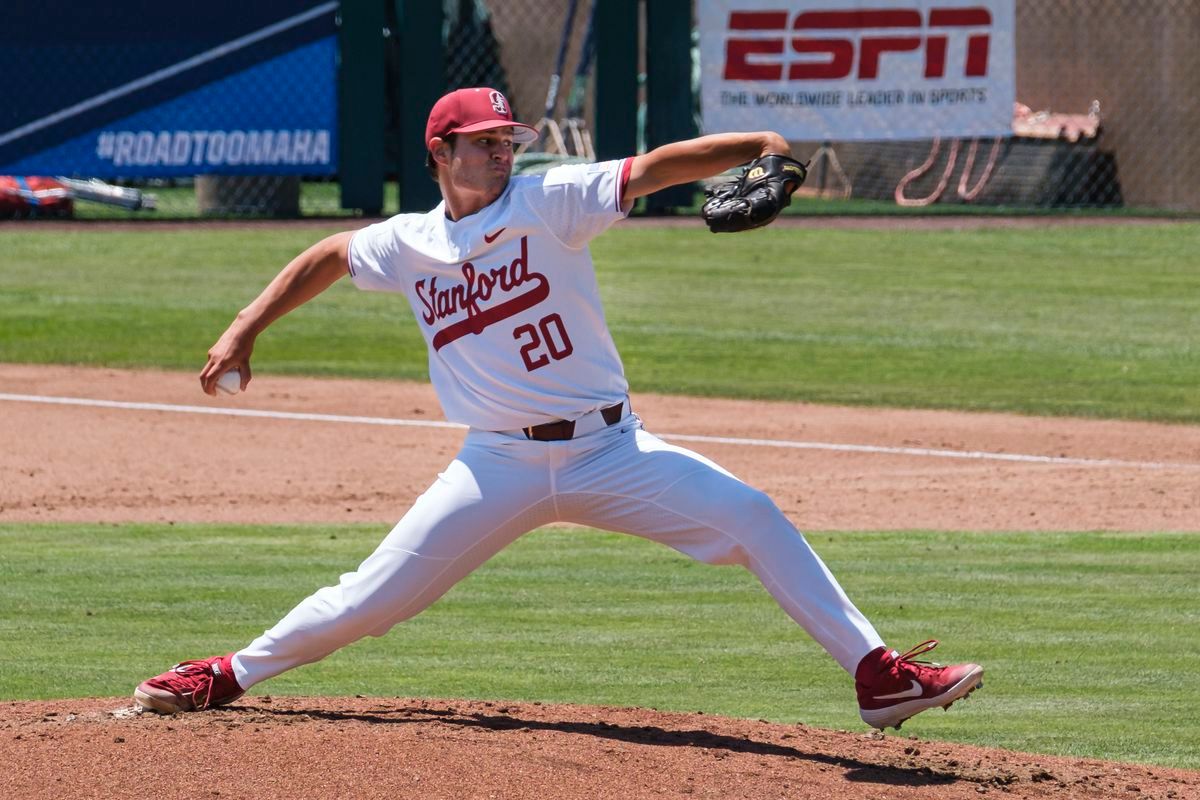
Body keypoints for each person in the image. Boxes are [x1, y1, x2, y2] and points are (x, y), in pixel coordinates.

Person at [134, 87, 983, 731]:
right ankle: (226, 674)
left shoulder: (550, 199)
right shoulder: (408, 242)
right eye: (484, 142)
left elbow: (654, 167)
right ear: (441, 151)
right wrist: (247, 325)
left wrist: (761, 144)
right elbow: (327, 253)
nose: (502, 152)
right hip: (496, 463)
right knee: (372, 600)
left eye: (508, 140)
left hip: (612, 453)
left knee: (754, 518)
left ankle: (879, 675)